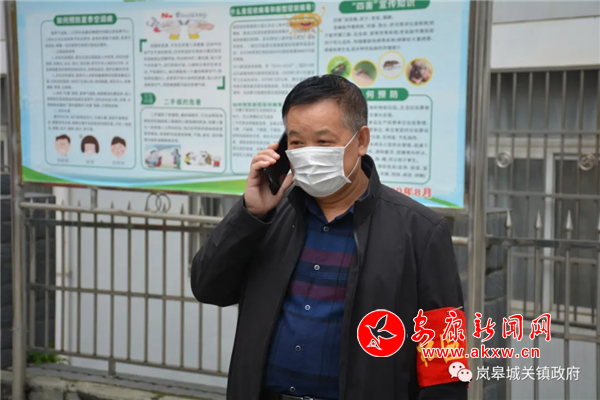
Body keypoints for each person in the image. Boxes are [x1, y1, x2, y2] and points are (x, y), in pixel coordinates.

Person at [191, 75, 467, 400]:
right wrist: (250, 215)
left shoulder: (420, 230)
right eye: (297, 143)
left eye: (323, 142)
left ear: (361, 140)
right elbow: (208, 287)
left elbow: (444, 358)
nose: (309, 153)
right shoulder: (269, 217)